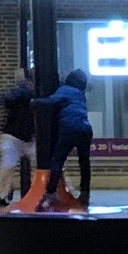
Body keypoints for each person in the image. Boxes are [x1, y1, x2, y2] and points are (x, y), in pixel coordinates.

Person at [0, 68, 37, 209]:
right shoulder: (31, 90)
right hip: (27, 135)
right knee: (41, 164)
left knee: (7, 166)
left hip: (12, 133)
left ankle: (2, 196)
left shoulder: (20, 90)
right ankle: (43, 192)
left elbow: (3, 99)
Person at [39, 69, 92, 207]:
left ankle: (50, 193)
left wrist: (34, 102)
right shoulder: (80, 94)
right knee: (84, 163)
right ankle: (85, 193)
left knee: (57, 160)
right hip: (86, 129)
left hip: (69, 128)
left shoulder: (66, 90)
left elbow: (50, 102)